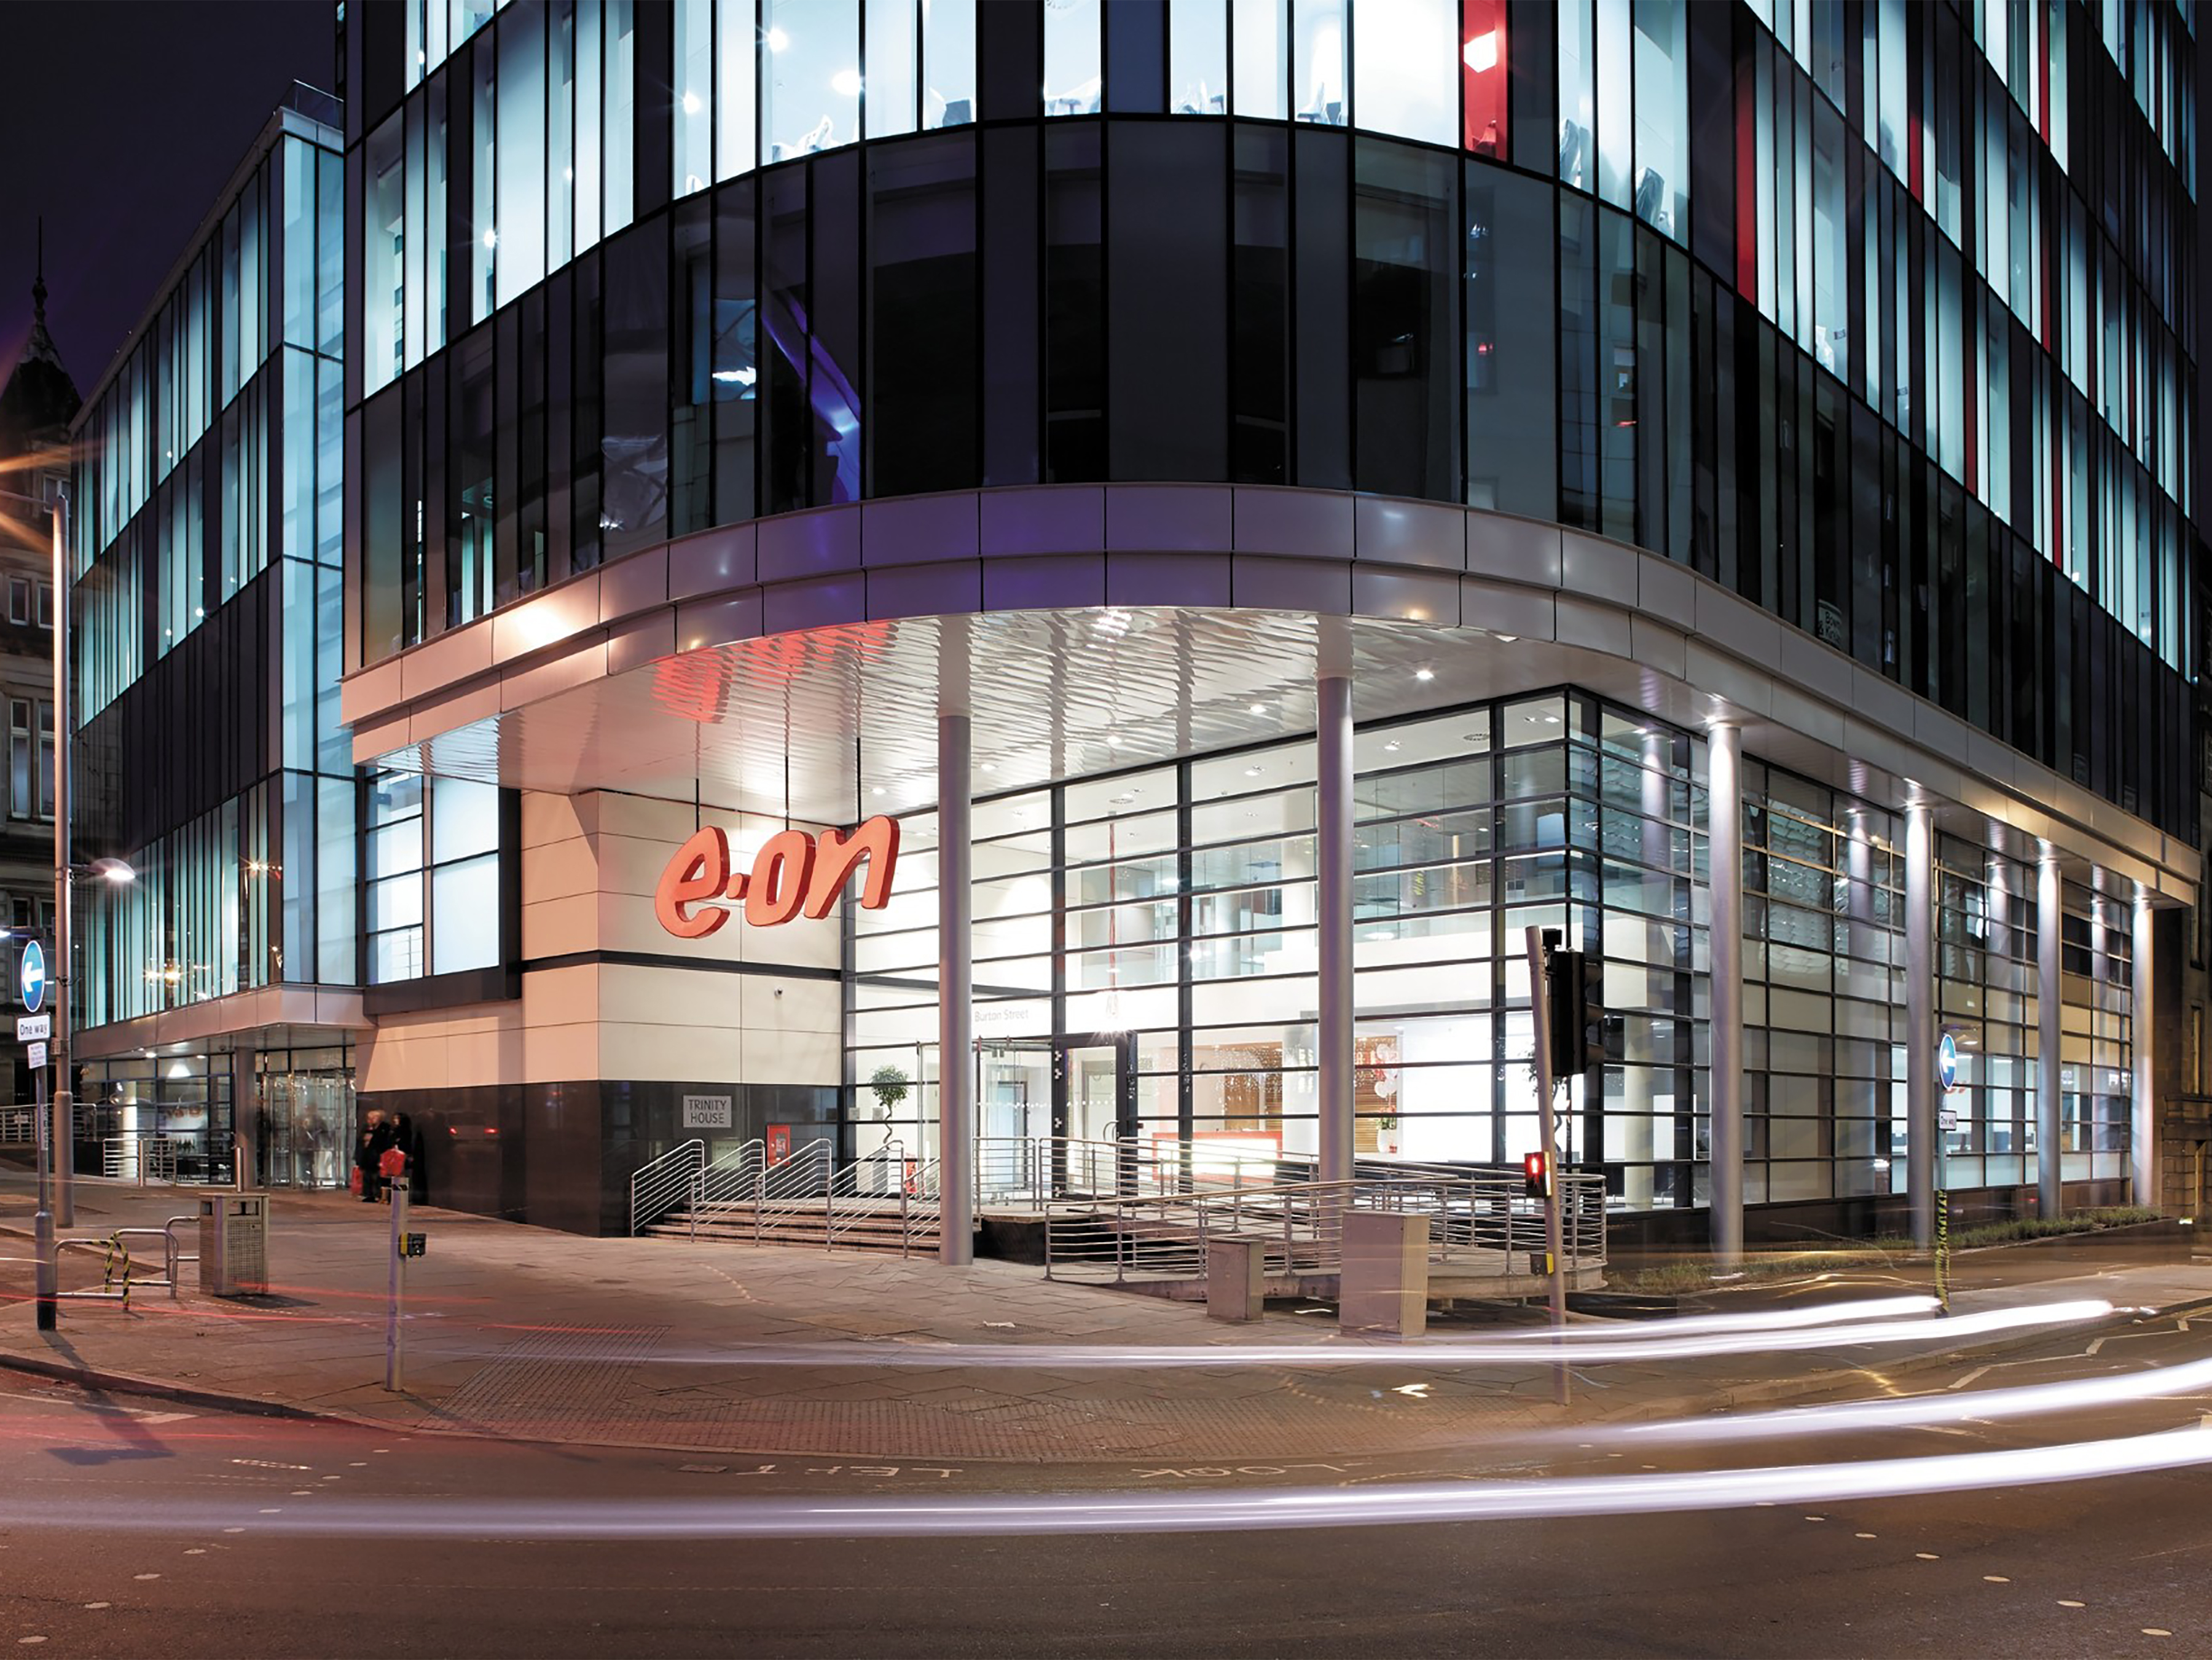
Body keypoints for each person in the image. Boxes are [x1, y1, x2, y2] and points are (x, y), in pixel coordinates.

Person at [356, 1109, 390, 1203]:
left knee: (377, 1177)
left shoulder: (384, 1128)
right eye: (370, 1118)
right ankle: (368, 1194)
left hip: (377, 1155)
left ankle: (378, 1195)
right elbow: (361, 1140)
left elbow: (383, 1141)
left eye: (374, 1118)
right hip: (367, 1155)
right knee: (367, 1176)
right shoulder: (366, 1128)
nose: (371, 1120)